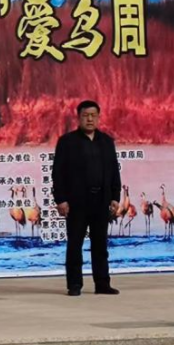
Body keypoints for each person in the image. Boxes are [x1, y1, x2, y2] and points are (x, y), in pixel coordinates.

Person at [52, 100, 121, 297]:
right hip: (76, 202)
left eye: (93, 115)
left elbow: (114, 171)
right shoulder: (67, 142)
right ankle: (74, 284)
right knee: (75, 244)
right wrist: (61, 199)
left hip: (101, 200)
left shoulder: (106, 141)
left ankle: (102, 283)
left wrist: (115, 197)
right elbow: (58, 173)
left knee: (100, 245)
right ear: (78, 117)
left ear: (98, 117)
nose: (89, 119)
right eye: (85, 115)